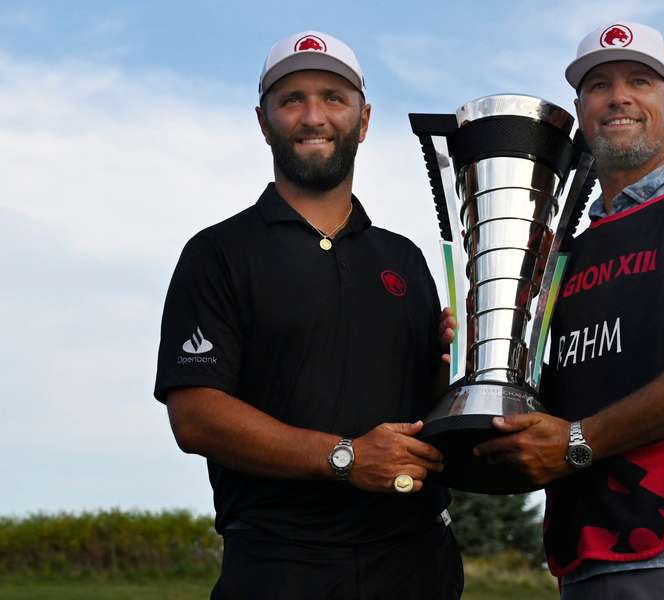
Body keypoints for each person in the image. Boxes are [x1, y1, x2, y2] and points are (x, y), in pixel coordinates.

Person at [466, 21, 664, 599]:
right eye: (599, 85)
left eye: (640, 80)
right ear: (582, 110)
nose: (619, 97)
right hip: (583, 550)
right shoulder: (567, 255)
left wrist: (578, 441)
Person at [154, 30, 463, 600]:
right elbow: (195, 414)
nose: (313, 115)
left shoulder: (404, 259)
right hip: (278, 566)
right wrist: (345, 457)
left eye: (333, 98)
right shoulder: (219, 253)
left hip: (416, 563)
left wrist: (462, 363)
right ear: (263, 120)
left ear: (363, 120)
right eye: (292, 99)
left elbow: (426, 414)